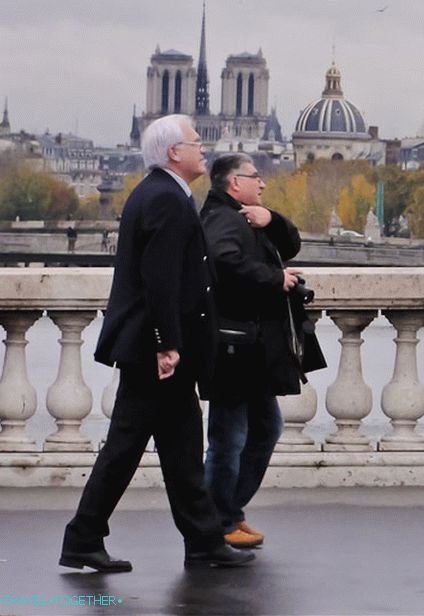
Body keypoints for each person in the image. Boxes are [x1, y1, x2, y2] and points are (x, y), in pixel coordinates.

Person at [60, 114, 254, 572]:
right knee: (127, 446)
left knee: (182, 447)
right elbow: (160, 279)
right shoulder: (166, 199)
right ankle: (83, 536)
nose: (203, 147)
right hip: (157, 350)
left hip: (160, 346)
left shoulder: (160, 193)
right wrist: (168, 344)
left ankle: (203, 539)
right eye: (195, 141)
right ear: (173, 153)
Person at [200, 153, 325, 549]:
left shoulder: (246, 215)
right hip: (235, 346)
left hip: (249, 348)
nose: (263, 183)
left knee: (264, 429)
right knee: (230, 438)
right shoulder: (223, 219)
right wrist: (275, 279)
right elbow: (223, 263)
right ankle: (218, 519)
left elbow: (290, 243)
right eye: (256, 178)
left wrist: (270, 218)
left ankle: (229, 512)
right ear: (234, 183)